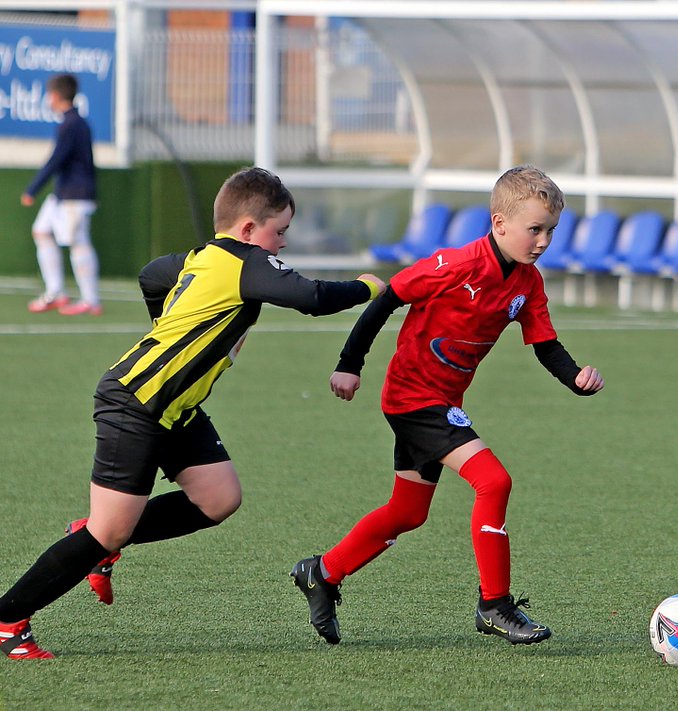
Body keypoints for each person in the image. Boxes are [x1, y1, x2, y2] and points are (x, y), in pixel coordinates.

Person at [0, 167, 387, 660]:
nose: (283, 243)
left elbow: (152, 274)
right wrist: (367, 286)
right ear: (249, 229)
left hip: (176, 409)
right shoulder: (246, 261)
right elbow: (311, 298)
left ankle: (91, 536)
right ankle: (9, 618)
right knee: (110, 529)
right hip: (137, 402)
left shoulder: (204, 257)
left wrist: (175, 328)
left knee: (218, 498)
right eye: (281, 231)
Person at [291, 165, 604, 647]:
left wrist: (576, 378)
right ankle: (494, 605)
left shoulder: (527, 283)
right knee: (493, 480)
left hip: (439, 400)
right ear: (500, 223)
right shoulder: (455, 265)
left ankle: (323, 572)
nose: (543, 241)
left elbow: (545, 344)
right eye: (534, 229)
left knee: (407, 512)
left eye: (551, 231)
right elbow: (387, 299)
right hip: (414, 398)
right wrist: (349, 364)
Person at [21, 74, 102, 316]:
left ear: (55, 96)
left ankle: (91, 300)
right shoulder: (74, 122)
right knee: (42, 231)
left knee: (79, 242)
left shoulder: (72, 124)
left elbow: (56, 159)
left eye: (48, 95)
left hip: (75, 196)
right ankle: (55, 292)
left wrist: (32, 189)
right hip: (62, 194)